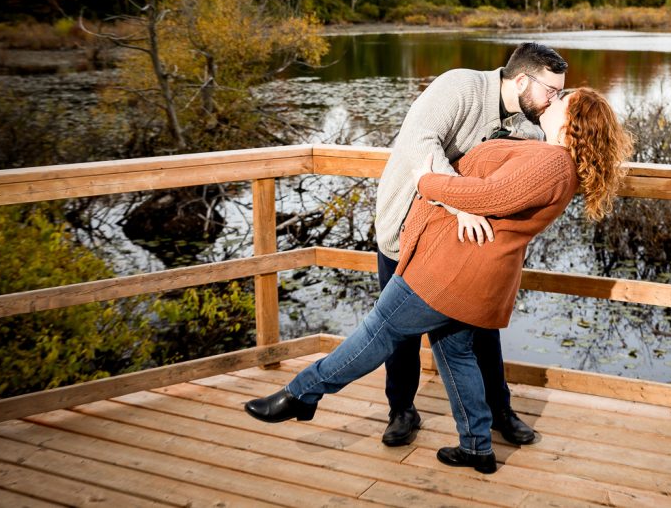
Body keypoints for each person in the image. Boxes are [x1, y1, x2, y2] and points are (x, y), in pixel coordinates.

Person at [245, 88, 633, 474]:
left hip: (449, 273)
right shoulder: (549, 155)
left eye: (563, 98)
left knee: (374, 335)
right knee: (456, 355)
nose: (555, 98)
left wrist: (426, 179)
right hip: (471, 274)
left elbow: (490, 194)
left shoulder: (553, 163)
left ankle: (301, 394)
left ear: (572, 120)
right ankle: (477, 447)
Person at [372, 42, 568, 448]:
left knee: (482, 329)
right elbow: (419, 144)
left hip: (465, 242)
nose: (555, 101)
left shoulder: (530, 127)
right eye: (551, 91)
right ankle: (401, 410)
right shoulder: (459, 87)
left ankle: (500, 412)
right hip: (405, 224)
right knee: (399, 330)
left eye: (560, 94)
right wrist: (460, 202)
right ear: (521, 80)